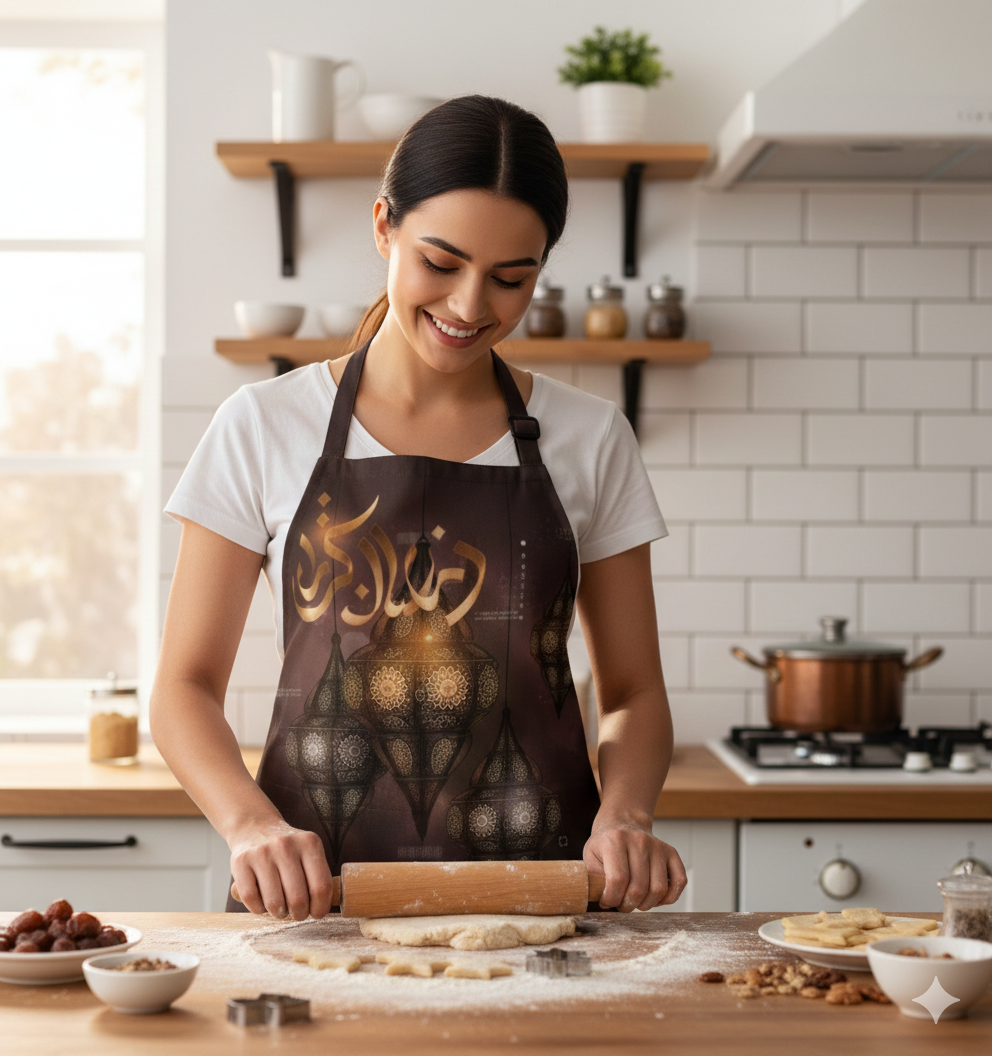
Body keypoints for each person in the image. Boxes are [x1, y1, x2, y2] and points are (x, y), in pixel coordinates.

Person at [151, 95, 686, 921]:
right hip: (313, 905)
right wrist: (250, 825)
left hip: (545, 910)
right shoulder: (262, 426)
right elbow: (183, 689)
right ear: (383, 228)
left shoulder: (590, 437)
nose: (471, 306)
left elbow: (633, 695)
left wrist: (627, 815)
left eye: (512, 279)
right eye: (442, 262)